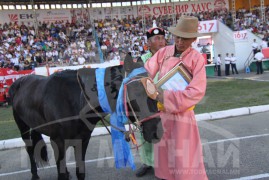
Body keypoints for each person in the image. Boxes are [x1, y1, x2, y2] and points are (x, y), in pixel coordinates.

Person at [144, 15, 208, 180]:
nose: (180, 41)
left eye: (185, 39)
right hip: (161, 114)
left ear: (193, 39)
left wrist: (164, 97)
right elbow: (146, 72)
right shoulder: (164, 52)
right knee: (164, 157)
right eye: (178, 37)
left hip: (183, 116)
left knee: (183, 159)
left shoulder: (196, 59)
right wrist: (147, 85)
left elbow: (196, 91)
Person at [135, 26, 166, 177]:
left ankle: (164, 164)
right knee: (146, 135)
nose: (160, 41)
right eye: (156, 39)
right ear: (149, 42)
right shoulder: (143, 60)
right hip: (147, 104)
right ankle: (147, 162)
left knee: (165, 135)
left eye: (162, 38)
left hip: (166, 101)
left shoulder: (171, 57)